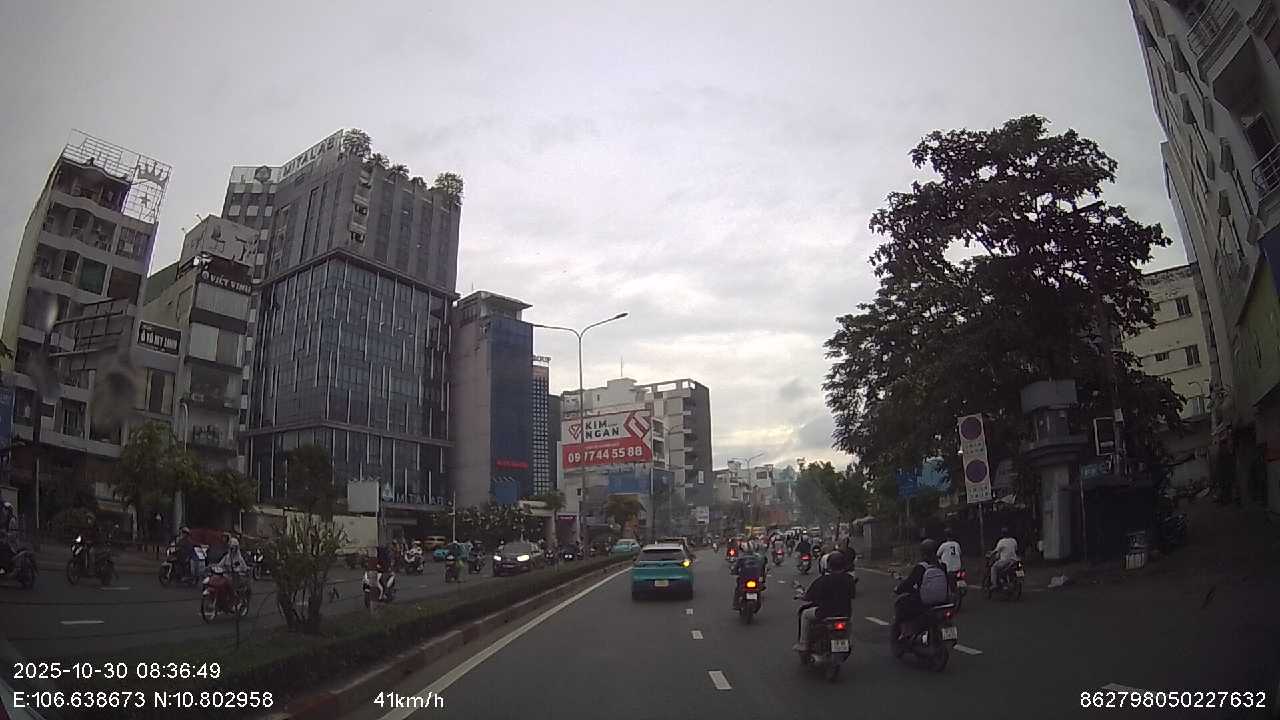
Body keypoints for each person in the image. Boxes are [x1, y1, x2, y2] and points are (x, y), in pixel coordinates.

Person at [792, 550, 857, 651]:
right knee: (849, 622)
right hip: (845, 612)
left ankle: (803, 643)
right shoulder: (849, 579)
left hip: (825, 613)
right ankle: (849, 641)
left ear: (829, 565)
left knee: (805, 614)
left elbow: (809, 596)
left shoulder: (823, 580)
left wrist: (801, 596)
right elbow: (852, 595)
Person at [892, 539, 949, 642]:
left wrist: (898, 589)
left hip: (924, 601)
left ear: (923, 552)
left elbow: (909, 582)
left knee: (901, 604)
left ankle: (906, 633)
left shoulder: (921, 567)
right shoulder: (942, 565)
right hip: (943, 600)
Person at [937, 529, 963, 595]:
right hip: (958, 568)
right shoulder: (956, 544)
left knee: (947, 583)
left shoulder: (944, 545)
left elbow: (937, 555)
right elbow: (960, 554)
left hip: (948, 569)